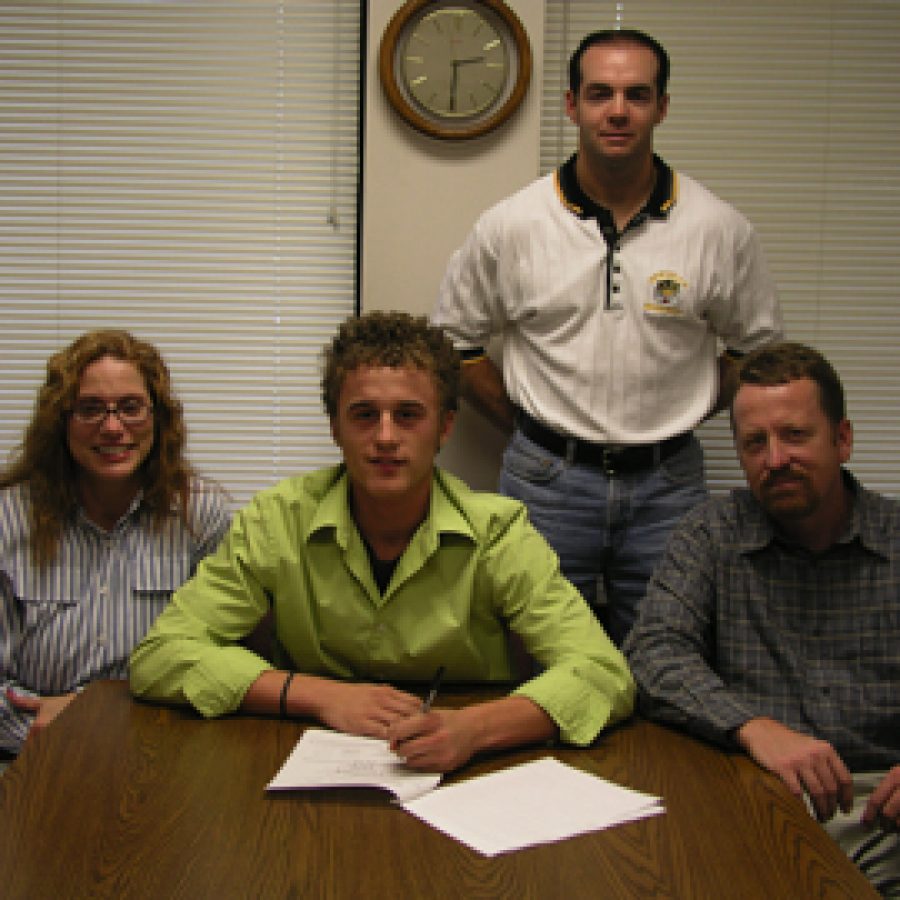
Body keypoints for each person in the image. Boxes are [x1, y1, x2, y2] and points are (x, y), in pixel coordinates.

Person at [129, 311, 634, 773]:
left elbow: (602, 672)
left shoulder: (497, 532)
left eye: (408, 415)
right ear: (335, 428)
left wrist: (474, 729)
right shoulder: (276, 521)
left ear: (444, 428)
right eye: (364, 415)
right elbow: (162, 655)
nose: (386, 437)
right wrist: (317, 695)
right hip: (306, 764)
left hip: (461, 769)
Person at [433, 28, 783, 646]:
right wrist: (527, 425)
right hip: (545, 483)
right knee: (533, 661)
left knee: (665, 663)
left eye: (636, 94)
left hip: (668, 487)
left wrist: (692, 405)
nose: (617, 111)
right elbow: (453, 345)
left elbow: (756, 351)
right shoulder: (513, 225)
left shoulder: (718, 229)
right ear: (571, 105)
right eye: (599, 94)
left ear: (662, 106)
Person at [623, 342, 899, 896]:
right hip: (752, 798)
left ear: (841, 439)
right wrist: (752, 726)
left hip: (885, 812)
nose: (775, 460)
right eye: (755, 443)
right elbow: (652, 650)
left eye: (795, 435)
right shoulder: (711, 534)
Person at [0, 329, 230, 762]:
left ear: (158, 418)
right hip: (30, 755)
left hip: (161, 754)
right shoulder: (7, 522)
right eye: (89, 409)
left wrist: (98, 716)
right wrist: (43, 729)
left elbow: (217, 666)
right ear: (61, 420)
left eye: (130, 408)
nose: (112, 427)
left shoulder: (202, 519)